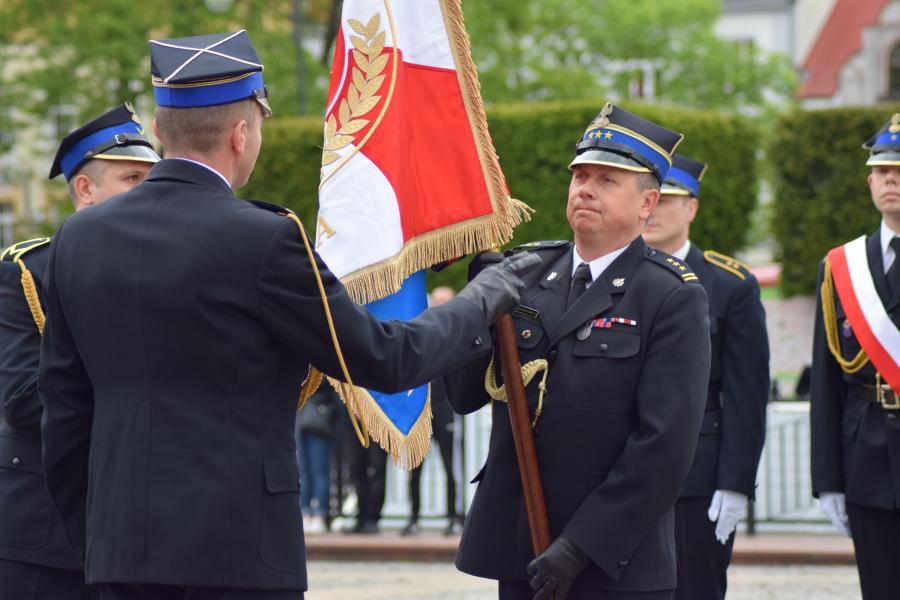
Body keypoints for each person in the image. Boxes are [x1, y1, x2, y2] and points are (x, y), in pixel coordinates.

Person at [37, 30, 538, 600]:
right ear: (241, 133)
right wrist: (484, 298)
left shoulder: (77, 239)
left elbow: (64, 413)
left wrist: (96, 541)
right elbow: (387, 356)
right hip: (238, 553)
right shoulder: (265, 239)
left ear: (158, 131)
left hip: (118, 550)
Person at [443, 103, 711, 600]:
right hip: (523, 547)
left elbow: (664, 448)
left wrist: (580, 545)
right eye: (580, 175)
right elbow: (462, 395)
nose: (585, 188)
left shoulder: (670, 296)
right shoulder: (523, 275)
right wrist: (475, 306)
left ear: (647, 203)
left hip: (614, 560)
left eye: (607, 180)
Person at [0, 104, 159, 600]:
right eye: (132, 178)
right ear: (85, 190)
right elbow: (23, 400)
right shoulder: (31, 272)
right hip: (44, 531)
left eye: (154, 179)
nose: (149, 192)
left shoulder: (173, 269)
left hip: (144, 529)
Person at [642, 153, 769, 600]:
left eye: (665, 199)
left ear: (691, 207)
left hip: (698, 476)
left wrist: (735, 483)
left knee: (695, 588)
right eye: (645, 198)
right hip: (619, 472)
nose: (652, 209)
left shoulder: (729, 284)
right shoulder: (615, 275)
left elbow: (746, 394)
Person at [811, 113, 900, 600]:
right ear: (870, 181)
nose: (892, 180)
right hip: (867, 461)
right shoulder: (842, 266)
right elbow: (826, 382)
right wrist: (828, 480)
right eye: (884, 171)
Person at [402, 286, 466, 537]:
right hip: (421, 408)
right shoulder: (421, 331)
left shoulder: (457, 334)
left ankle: (453, 516)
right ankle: (413, 516)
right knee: (415, 467)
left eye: (444, 303)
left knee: (450, 465)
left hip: (445, 407)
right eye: (436, 303)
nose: (439, 308)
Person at [296, 384, 340, 534]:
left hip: (319, 417)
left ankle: (321, 513)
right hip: (301, 416)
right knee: (303, 470)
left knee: (319, 469)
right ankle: (306, 511)